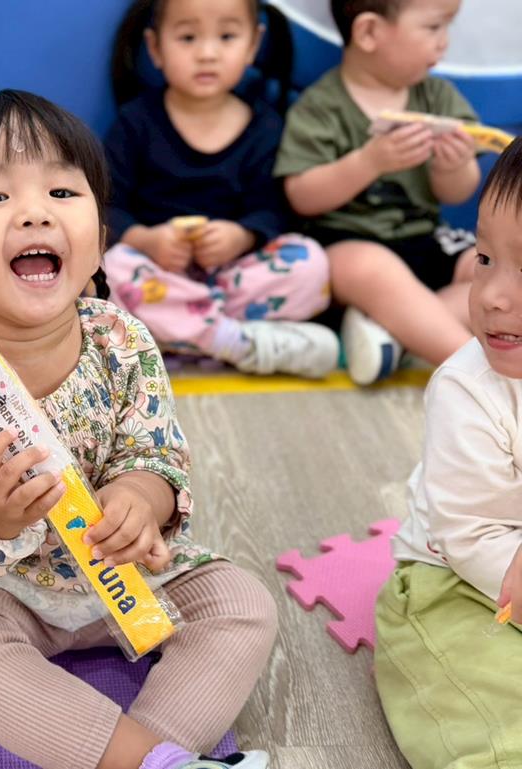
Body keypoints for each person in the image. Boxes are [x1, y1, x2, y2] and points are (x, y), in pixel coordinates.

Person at [0, 89, 277, 769]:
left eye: (62, 191)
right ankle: (145, 761)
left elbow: (155, 451)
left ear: (100, 240)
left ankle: (146, 753)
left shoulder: (122, 338)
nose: (36, 211)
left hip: (121, 572)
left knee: (242, 603)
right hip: (2, 588)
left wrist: (140, 497)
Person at [374, 137, 522, 768]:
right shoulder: (469, 388)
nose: (492, 295)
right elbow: (471, 532)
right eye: (485, 258)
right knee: (494, 717)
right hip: (457, 580)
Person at [102, 0, 338, 379]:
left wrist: (241, 236)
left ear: (253, 45)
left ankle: (176, 334)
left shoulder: (265, 127)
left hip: (233, 276)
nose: (207, 54)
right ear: (156, 48)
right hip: (157, 272)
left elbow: (274, 210)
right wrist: (146, 240)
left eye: (227, 36)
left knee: (309, 262)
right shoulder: (136, 122)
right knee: (111, 269)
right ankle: (234, 341)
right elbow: (107, 206)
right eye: (188, 38)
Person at [276, 0, 480, 385]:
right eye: (433, 27)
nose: (444, 43)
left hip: (425, 238)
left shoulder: (437, 97)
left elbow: (458, 194)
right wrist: (368, 162)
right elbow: (300, 195)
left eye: (447, 27)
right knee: (371, 268)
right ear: (369, 32)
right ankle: (474, 375)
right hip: (347, 244)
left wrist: (453, 167)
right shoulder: (322, 106)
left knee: (492, 268)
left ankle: (394, 334)